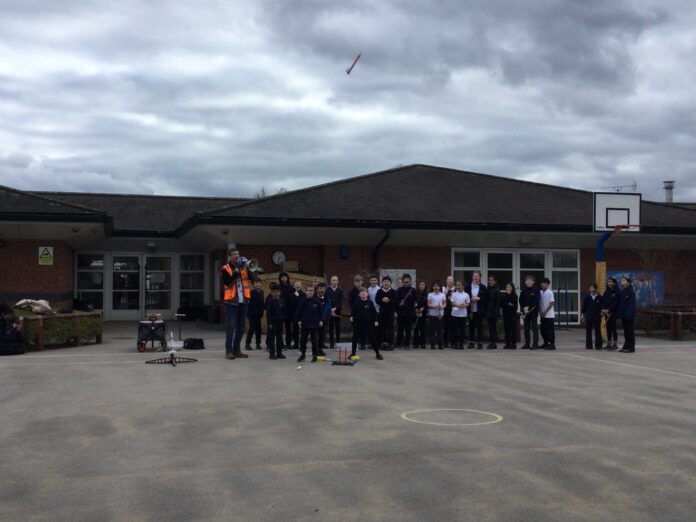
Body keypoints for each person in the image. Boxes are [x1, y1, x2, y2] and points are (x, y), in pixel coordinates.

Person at [221, 249, 257, 359]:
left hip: (243, 301)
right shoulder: (225, 268)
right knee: (231, 327)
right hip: (231, 302)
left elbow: (254, 278)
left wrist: (248, 267)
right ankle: (228, 350)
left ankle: (236, 349)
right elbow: (227, 282)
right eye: (234, 254)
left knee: (241, 328)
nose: (236, 256)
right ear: (229, 257)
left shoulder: (244, 267)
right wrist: (236, 271)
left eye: (238, 254)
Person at [349, 287, 383, 360]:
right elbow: (353, 311)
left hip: (368, 324)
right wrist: (351, 316)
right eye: (361, 292)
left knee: (372, 338)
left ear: (367, 294)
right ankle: (353, 353)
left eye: (364, 292)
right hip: (358, 324)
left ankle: (377, 353)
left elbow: (374, 313)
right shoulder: (356, 303)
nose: (363, 293)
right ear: (359, 295)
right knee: (355, 338)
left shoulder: (370, 302)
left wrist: (376, 320)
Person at [295, 284, 323, 363]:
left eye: (312, 291)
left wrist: (321, 320)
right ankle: (303, 355)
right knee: (303, 341)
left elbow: (320, 312)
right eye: (309, 291)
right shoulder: (302, 301)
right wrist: (299, 320)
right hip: (305, 324)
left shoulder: (317, 301)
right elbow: (299, 312)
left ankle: (315, 356)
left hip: (314, 324)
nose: (310, 292)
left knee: (314, 341)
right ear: (306, 291)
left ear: (314, 292)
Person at [465, 271, 488, 349]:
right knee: (471, 326)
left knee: (479, 326)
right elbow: (465, 296)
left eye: (477, 276)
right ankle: (471, 342)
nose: (475, 277)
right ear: (472, 277)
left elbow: (486, 298)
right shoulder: (468, 286)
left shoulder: (483, 287)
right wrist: (470, 299)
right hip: (471, 310)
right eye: (474, 276)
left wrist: (479, 298)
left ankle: (480, 343)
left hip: (479, 310)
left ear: (480, 278)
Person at [265, 283, 287, 360]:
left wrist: (283, 320)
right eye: (274, 292)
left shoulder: (282, 301)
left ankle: (279, 353)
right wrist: (269, 323)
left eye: (278, 292)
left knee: (279, 338)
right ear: (271, 293)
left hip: (280, 322)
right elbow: (268, 313)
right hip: (273, 322)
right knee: (272, 338)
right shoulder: (270, 301)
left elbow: (284, 311)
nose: (276, 293)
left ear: (280, 292)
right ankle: (272, 354)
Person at [376, 276, 398, 350]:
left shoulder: (393, 291)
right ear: (382, 283)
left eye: (388, 281)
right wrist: (382, 300)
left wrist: (389, 300)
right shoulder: (379, 291)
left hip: (390, 313)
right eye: (385, 281)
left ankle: (390, 344)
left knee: (390, 329)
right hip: (382, 313)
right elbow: (377, 300)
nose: (386, 283)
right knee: (382, 328)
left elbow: (396, 301)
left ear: (390, 283)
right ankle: (383, 343)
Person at [396, 273, 417, 349]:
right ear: (403, 281)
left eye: (408, 281)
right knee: (400, 329)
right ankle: (399, 343)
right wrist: (399, 303)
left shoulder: (413, 290)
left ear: (410, 281)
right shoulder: (399, 290)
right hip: (401, 313)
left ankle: (407, 344)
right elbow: (396, 301)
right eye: (405, 281)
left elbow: (416, 300)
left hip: (410, 313)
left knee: (408, 330)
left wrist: (415, 303)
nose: (406, 283)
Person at [519, 275, 540, 350]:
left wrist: (529, 307)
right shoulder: (523, 291)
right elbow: (521, 300)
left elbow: (536, 300)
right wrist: (524, 308)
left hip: (533, 312)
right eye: (526, 280)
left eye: (530, 280)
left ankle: (535, 344)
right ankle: (527, 344)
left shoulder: (536, 290)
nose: (528, 281)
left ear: (533, 282)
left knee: (534, 328)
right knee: (526, 329)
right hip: (525, 312)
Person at [617, 276, 636, 353]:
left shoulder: (631, 292)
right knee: (626, 332)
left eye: (624, 281)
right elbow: (621, 304)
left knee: (630, 331)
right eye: (622, 281)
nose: (622, 282)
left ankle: (631, 348)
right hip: (623, 315)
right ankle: (626, 346)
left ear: (628, 283)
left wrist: (628, 314)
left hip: (629, 316)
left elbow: (631, 304)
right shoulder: (623, 291)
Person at [449, 280, 470, 349]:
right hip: (455, 314)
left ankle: (461, 343)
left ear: (463, 286)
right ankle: (455, 343)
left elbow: (468, 304)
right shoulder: (454, 294)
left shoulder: (466, 294)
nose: (457, 286)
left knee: (462, 330)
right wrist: (457, 305)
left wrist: (464, 305)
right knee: (454, 330)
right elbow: (452, 303)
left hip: (463, 315)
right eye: (457, 285)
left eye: (459, 285)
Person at [244, 280, 265, 351]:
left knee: (258, 329)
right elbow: (249, 304)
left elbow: (262, 303)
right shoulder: (251, 292)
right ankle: (247, 343)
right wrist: (248, 314)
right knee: (252, 329)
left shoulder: (262, 292)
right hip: (252, 314)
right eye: (256, 283)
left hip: (259, 314)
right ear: (253, 284)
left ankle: (258, 344)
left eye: (259, 283)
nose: (258, 284)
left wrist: (262, 312)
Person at [582, 283, 603, 350]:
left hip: (597, 316)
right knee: (588, 331)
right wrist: (583, 315)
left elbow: (602, 307)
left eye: (593, 288)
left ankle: (598, 345)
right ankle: (589, 345)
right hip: (589, 316)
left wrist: (601, 314)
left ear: (596, 289)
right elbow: (584, 307)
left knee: (598, 331)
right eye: (590, 288)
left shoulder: (600, 297)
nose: (591, 290)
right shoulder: (587, 297)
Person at [601, 277, 620, 351]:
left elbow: (616, 303)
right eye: (608, 282)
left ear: (614, 283)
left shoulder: (617, 292)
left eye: (610, 282)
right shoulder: (606, 292)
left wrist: (609, 310)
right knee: (608, 328)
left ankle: (615, 344)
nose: (609, 283)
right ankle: (609, 344)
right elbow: (603, 301)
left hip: (613, 313)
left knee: (613, 328)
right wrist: (603, 310)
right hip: (606, 313)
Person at [325, 275, 344, 348]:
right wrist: (330, 309)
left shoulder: (340, 290)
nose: (334, 282)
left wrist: (335, 308)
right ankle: (331, 343)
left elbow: (341, 301)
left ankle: (338, 342)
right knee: (331, 327)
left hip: (337, 311)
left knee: (337, 327)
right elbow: (326, 300)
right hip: (330, 311)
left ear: (338, 281)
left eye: (336, 280)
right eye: (333, 280)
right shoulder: (327, 290)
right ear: (330, 281)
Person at [315, 282, 332, 356]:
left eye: (323, 289)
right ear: (317, 290)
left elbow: (328, 309)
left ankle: (320, 349)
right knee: (315, 336)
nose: (322, 290)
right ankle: (315, 350)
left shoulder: (327, 299)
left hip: (325, 320)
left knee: (322, 336)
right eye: (320, 289)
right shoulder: (314, 299)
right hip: (316, 320)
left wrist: (327, 317)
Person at [427, 281, 446, 349]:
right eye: (434, 286)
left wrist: (442, 307)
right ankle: (432, 344)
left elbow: (444, 304)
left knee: (439, 330)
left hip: (440, 314)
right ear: (432, 287)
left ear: (439, 287)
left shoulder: (442, 295)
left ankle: (440, 344)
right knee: (432, 330)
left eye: (437, 286)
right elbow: (428, 304)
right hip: (432, 315)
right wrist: (435, 306)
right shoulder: (430, 294)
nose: (436, 287)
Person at [287, 280, 305, 350]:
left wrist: (297, 297)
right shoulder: (291, 295)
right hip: (295, 315)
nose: (298, 286)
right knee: (295, 330)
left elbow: (302, 304)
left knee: (303, 330)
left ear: (301, 286)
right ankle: (296, 343)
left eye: (299, 284)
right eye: (296, 284)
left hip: (303, 315)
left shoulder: (304, 294)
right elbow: (292, 305)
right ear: (294, 286)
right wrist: (297, 296)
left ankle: (303, 344)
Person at [539, 277, 556, 350]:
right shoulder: (540, 292)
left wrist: (545, 311)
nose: (543, 284)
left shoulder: (550, 292)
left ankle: (552, 344)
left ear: (548, 284)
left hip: (549, 315)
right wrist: (540, 312)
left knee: (550, 330)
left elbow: (551, 303)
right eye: (542, 283)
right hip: (542, 315)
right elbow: (539, 304)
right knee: (543, 330)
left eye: (545, 283)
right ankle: (545, 343)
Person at [278, 272, 294, 349]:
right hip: (280, 310)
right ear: (280, 279)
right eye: (282, 277)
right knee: (280, 328)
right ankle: (280, 343)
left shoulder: (291, 288)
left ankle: (288, 343)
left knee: (288, 328)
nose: (284, 278)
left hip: (289, 310)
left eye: (285, 277)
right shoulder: (278, 287)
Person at [485, 275, 501, 349]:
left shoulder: (497, 290)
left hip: (494, 312)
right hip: (488, 312)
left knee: (493, 328)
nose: (490, 281)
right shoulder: (487, 289)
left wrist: (496, 312)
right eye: (489, 280)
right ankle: (491, 342)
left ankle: (493, 343)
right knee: (490, 328)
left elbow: (498, 303)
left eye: (492, 280)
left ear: (495, 282)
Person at [501, 283, 518, 349]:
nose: (507, 288)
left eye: (509, 287)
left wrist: (509, 303)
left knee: (513, 329)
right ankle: (507, 343)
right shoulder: (504, 296)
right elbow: (503, 304)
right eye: (506, 287)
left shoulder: (515, 296)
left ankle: (513, 344)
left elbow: (514, 306)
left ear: (512, 288)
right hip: (506, 314)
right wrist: (509, 303)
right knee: (507, 329)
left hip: (512, 315)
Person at [413, 281, 428, 349]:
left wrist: (423, 308)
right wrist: (415, 308)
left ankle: (423, 344)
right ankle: (415, 344)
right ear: (418, 286)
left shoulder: (427, 294)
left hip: (423, 313)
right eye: (420, 284)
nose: (421, 286)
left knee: (423, 329)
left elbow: (427, 303)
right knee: (416, 328)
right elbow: (413, 302)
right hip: (416, 313)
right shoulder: (415, 293)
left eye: (423, 285)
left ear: (425, 286)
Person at [442, 275, 455, 347]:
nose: (449, 281)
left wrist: (452, 297)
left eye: (450, 280)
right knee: (445, 326)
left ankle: (453, 342)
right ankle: (445, 342)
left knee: (453, 327)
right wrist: (447, 289)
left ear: (453, 281)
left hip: (453, 309)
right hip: (445, 309)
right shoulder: (444, 288)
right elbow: (442, 297)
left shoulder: (455, 289)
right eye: (448, 280)